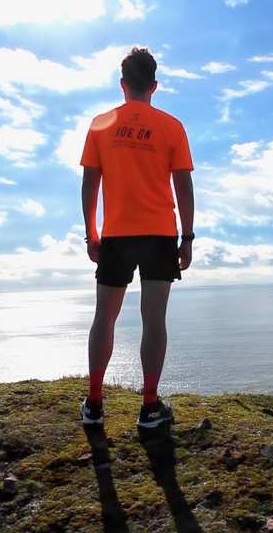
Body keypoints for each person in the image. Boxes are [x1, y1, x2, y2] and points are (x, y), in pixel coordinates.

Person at [79, 46, 195, 429]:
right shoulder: (172, 126)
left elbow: (90, 184)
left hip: (116, 234)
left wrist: (91, 233)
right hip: (161, 232)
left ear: (123, 84)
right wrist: (187, 238)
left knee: (105, 318)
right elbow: (184, 187)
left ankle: (94, 403)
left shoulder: (101, 124)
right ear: (155, 85)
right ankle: (149, 405)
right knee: (154, 320)